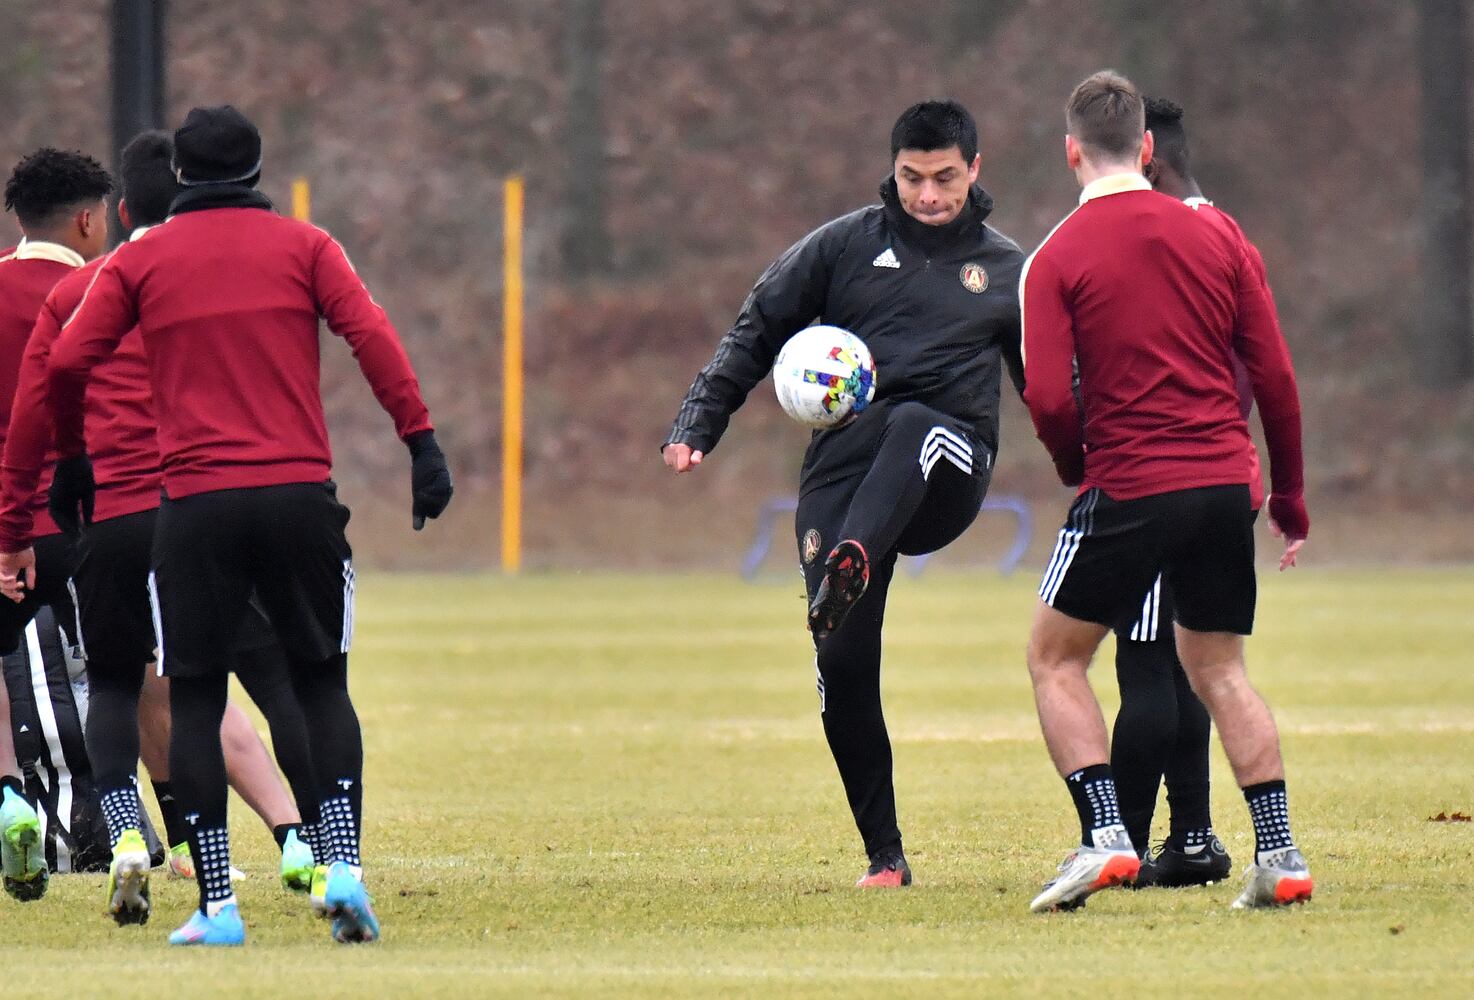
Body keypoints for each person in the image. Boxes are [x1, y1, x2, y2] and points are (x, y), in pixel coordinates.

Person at [2, 105, 452, 945]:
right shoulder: (308, 247)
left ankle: (217, 905)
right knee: (317, 684)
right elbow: (371, 334)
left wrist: (71, 461)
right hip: (299, 496)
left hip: (194, 506)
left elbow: (66, 362)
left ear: (177, 183)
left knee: (195, 697)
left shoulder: (142, 265)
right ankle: (342, 865)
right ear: (255, 168)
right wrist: (420, 443)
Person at [663, 101, 1024, 887]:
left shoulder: (1004, 270)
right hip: (844, 469)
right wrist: (701, 417)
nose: (928, 195)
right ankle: (884, 859)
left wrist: (1093, 459)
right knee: (843, 664)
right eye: (912, 178)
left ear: (975, 169)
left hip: (948, 464)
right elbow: (758, 326)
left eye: (945, 179)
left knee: (916, 423)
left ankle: (856, 556)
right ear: (892, 169)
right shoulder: (844, 245)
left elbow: (1048, 386)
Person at [0, 130, 326, 923]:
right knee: (182, 685)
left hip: (32, 520)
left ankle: (18, 796)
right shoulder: (135, 286)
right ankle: (288, 835)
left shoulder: (59, 296)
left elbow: (35, 414)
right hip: (154, 505)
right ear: (90, 221)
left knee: (90, 679)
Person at [1019, 70, 1312, 912]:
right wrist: (1286, 495)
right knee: (1220, 668)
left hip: (1133, 484)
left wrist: (1079, 464)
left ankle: (1106, 835)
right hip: (1226, 484)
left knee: (1055, 655)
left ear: (1071, 151)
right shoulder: (1218, 233)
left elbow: (1046, 397)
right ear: (1146, 149)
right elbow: (1277, 376)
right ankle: (1280, 854)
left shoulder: (1056, 255)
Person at [1112, 96, 1272, 888]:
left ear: (1145, 158)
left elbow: (1227, 377)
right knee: (1193, 667)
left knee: (1144, 668)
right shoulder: (1224, 231)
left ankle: (1120, 848)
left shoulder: (1182, 240)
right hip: (1226, 481)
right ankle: (1198, 839)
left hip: (1168, 483)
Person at [0, 147, 112, 902]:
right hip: (83, 515)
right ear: (85, 218)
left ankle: (10, 795)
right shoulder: (98, 291)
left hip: (6, 524)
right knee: (131, 677)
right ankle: (113, 822)